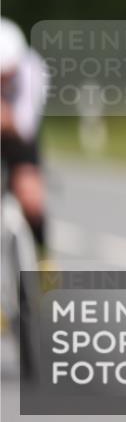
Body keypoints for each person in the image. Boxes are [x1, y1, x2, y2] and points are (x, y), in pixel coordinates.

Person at [0, 17, 50, 258]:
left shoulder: (32, 69)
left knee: (31, 198)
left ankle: (43, 259)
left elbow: (25, 126)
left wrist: (6, 118)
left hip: (19, 138)